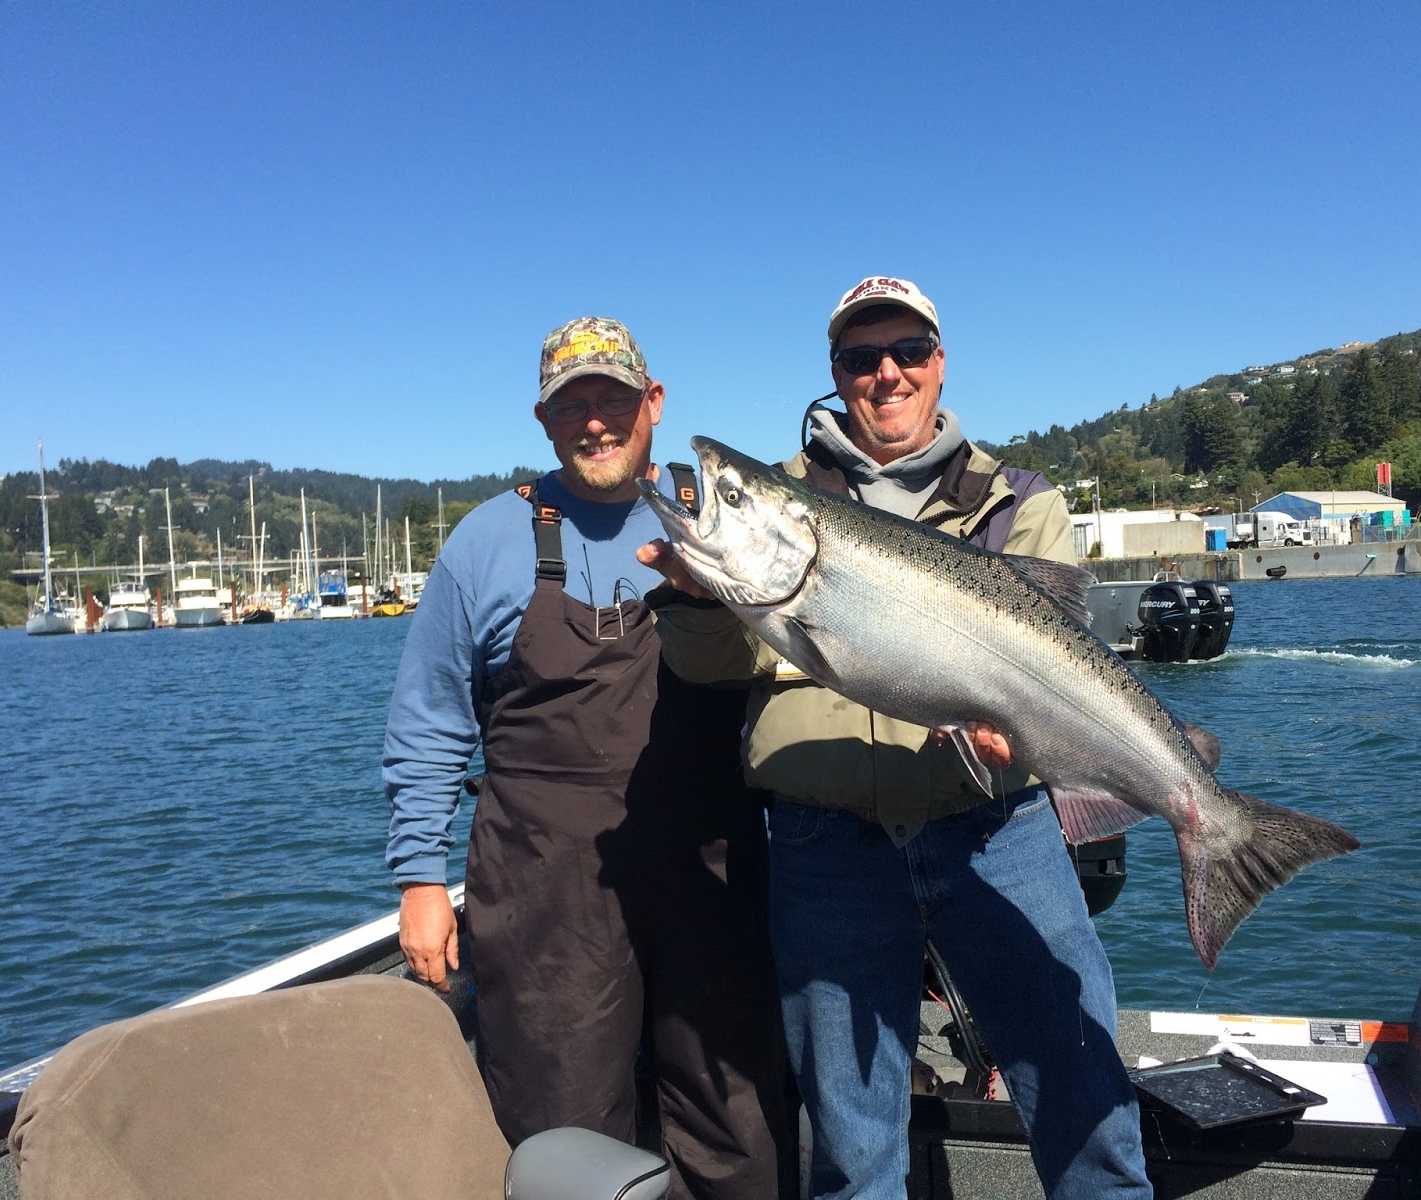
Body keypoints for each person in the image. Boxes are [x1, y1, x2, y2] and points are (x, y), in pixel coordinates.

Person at [641, 278, 1153, 1200]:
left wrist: (1038, 744)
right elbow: (712, 667)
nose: (887, 373)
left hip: (1000, 834)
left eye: (908, 351)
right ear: (836, 374)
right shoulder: (785, 497)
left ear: (939, 363)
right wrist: (698, 600)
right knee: (852, 1148)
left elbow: (1069, 667)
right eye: (860, 357)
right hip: (824, 849)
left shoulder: (1018, 500)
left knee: (1089, 1110)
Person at [383, 317, 794, 1200]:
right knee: (561, 1131)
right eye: (573, 406)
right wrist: (420, 878)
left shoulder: (726, 521)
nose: (596, 422)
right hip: (545, 888)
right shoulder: (486, 542)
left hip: (710, 868)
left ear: (655, 403)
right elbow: (428, 720)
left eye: (614, 398)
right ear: (543, 420)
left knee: (738, 1123)